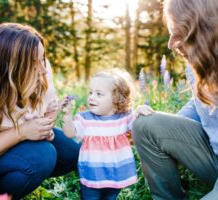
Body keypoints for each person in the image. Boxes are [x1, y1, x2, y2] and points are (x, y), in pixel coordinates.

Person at [132, 0, 218, 199]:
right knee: (145, 124)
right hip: (216, 153)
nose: (171, 44)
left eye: (179, 34)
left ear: (209, 30)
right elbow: (204, 103)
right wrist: (169, 130)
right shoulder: (199, 58)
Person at [0, 23, 80, 199]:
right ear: (9, 68)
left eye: (42, 58)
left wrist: (44, 127)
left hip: (14, 137)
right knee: (42, 156)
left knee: (72, 152)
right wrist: (21, 132)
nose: (42, 69)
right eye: (34, 63)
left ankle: (19, 177)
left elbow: (51, 105)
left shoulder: (40, 64)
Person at [60, 69, 153, 200]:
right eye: (90, 92)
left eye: (99, 94)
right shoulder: (85, 119)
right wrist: (67, 116)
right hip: (92, 175)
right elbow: (70, 133)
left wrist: (139, 111)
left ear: (116, 99)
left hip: (116, 175)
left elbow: (138, 125)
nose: (91, 97)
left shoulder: (125, 117)